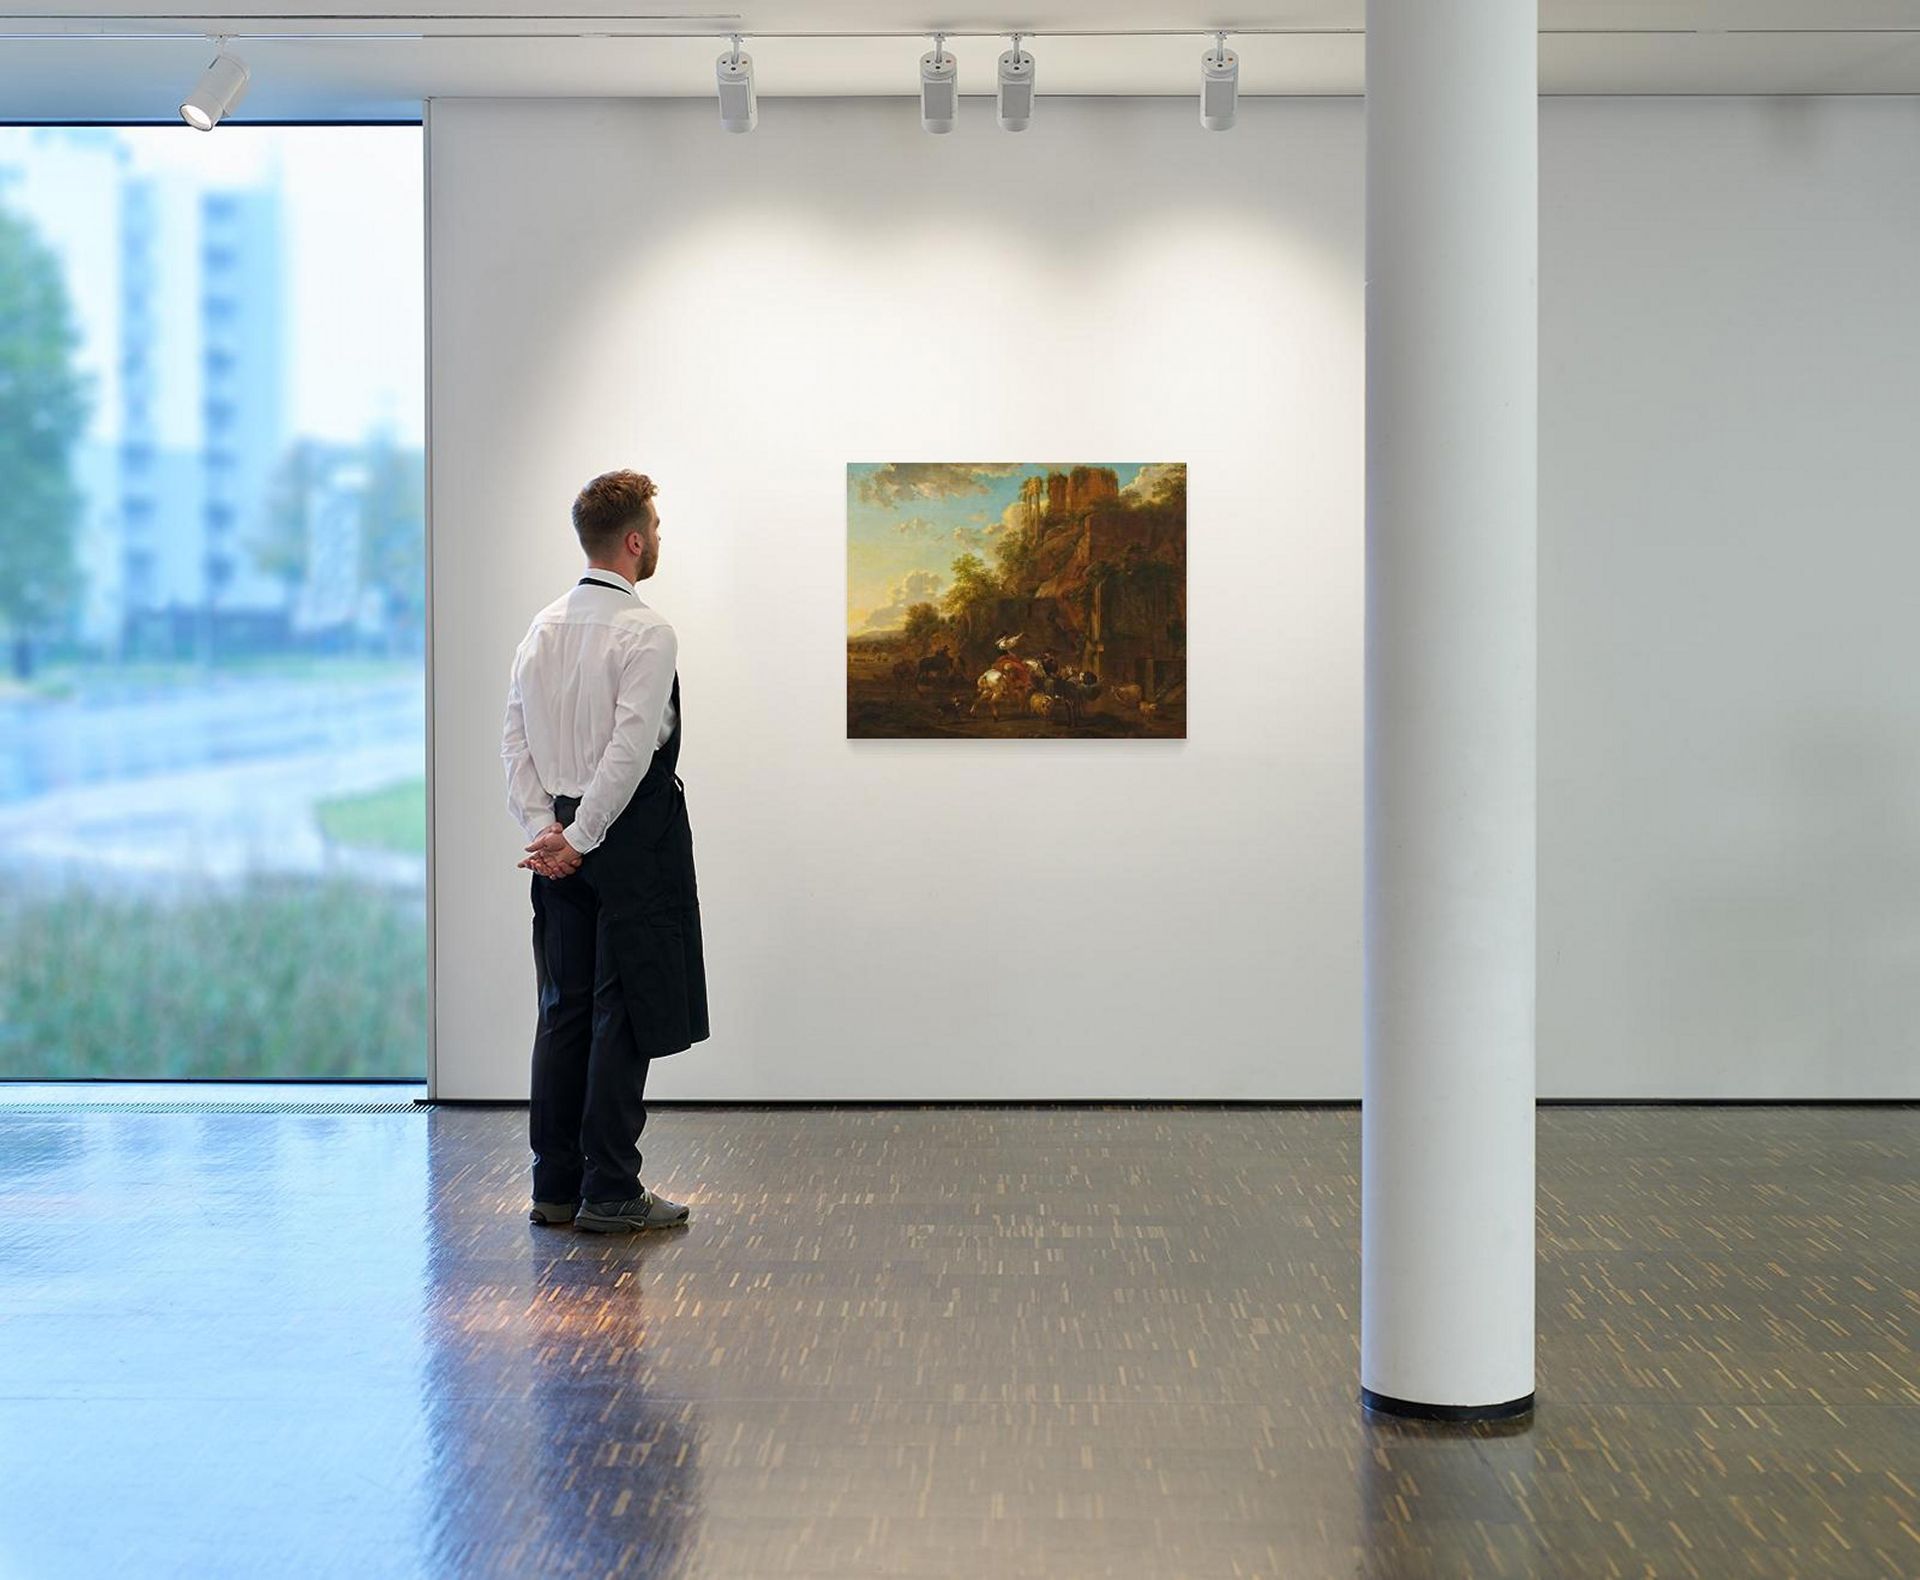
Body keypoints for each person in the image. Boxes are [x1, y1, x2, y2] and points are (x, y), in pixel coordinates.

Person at [500, 469, 710, 1233]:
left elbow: (515, 740)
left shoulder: (542, 627)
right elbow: (628, 752)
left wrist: (545, 832)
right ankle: (613, 1189)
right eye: (655, 526)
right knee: (621, 1012)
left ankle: (555, 1186)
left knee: (562, 1010)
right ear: (633, 540)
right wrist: (583, 838)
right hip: (623, 839)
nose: (659, 539)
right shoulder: (648, 631)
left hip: (559, 835)